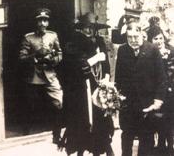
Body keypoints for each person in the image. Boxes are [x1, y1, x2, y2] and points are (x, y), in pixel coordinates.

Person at [60, 12, 114, 156]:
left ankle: (102, 147)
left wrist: (107, 78)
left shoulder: (100, 41)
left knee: (101, 117)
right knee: (83, 119)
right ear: (81, 28)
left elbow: (106, 64)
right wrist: (96, 58)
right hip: (82, 87)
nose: (89, 31)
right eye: (86, 28)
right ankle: (81, 149)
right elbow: (78, 66)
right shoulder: (74, 42)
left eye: (93, 28)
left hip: (99, 86)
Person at [115, 19, 167, 156]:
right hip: (128, 104)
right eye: (129, 37)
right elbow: (118, 77)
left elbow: (161, 78)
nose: (132, 40)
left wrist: (158, 100)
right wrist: (117, 98)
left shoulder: (152, 50)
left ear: (141, 34)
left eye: (135, 37)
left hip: (147, 104)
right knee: (126, 138)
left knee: (146, 140)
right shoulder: (122, 50)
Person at [19, 8, 63, 143]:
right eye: (40, 21)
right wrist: (35, 56)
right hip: (34, 76)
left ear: (48, 22)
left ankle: (57, 135)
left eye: (45, 20)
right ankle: (26, 133)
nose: (42, 24)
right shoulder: (28, 37)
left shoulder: (53, 35)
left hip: (49, 74)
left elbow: (60, 53)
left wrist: (53, 60)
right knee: (30, 104)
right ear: (36, 22)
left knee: (58, 102)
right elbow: (21, 57)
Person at [147, 25, 174, 156]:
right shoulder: (148, 52)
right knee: (156, 122)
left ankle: (169, 149)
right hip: (155, 93)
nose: (159, 41)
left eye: (161, 38)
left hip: (170, 92)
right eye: (155, 38)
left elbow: (170, 73)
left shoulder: (171, 51)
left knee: (169, 122)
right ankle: (158, 148)